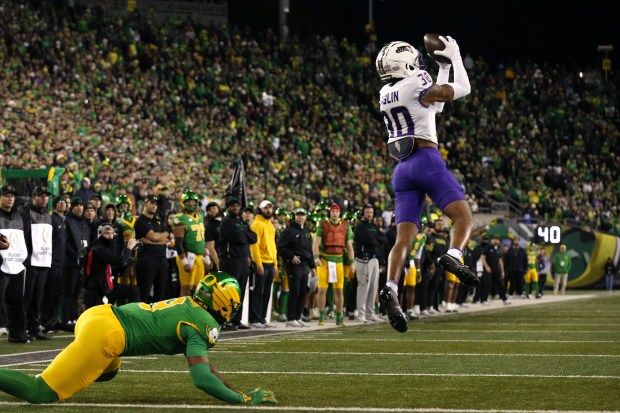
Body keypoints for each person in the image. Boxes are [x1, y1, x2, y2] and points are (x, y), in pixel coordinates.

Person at [0, 272, 277, 406]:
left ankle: (66, 369)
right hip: (107, 335)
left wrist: (235, 390)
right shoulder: (203, 323)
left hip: (100, 315)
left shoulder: (192, 305)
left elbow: (209, 367)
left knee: (108, 372)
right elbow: (202, 377)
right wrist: (241, 400)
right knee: (41, 393)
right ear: (223, 302)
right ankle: (51, 377)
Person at [375, 37, 478, 332]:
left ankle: (391, 287)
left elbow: (436, 107)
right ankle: (454, 255)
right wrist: (455, 58)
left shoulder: (385, 92)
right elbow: (462, 90)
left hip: (402, 170)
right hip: (426, 161)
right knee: (463, 218)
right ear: (406, 63)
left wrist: (441, 67)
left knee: (403, 240)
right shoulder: (416, 81)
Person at [312, 203, 355, 326]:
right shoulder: (323, 224)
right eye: (332, 211)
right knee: (322, 289)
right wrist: (316, 257)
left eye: (336, 211)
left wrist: (352, 262)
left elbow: (349, 246)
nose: (334, 213)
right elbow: (315, 244)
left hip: (339, 260)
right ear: (330, 213)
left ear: (339, 213)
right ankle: (321, 316)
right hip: (324, 259)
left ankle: (339, 315)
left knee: (339, 290)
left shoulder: (346, 226)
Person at [218, 197, 257, 330]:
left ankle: (237, 320)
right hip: (230, 260)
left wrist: (244, 234)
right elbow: (239, 238)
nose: (235, 208)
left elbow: (254, 238)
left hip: (242, 260)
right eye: (232, 206)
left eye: (237, 206)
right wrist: (245, 235)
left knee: (239, 292)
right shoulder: (226, 222)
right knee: (230, 291)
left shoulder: (241, 222)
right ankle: (226, 319)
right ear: (228, 208)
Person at [20, 186, 53, 340]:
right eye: (41, 196)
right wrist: (26, 259)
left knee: (38, 298)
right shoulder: (26, 213)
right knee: (26, 298)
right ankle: (22, 328)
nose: (44, 198)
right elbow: (23, 237)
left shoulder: (47, 214)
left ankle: (34, 328)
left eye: (46, 196)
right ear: (34, 197)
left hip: (44, 262)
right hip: (31, 262)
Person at [84, 225, 141, 308]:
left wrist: (127, 264)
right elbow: (120, 261)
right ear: (100, 235)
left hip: (106, 286)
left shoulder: (107, 247)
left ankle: (133, 315)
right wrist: (128, 248)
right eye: (107, 233)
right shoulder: (99, 248)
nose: (110, 236)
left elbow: (111, 269)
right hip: (97, 289)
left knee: (134, 291)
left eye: (112, 233)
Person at [277, 208, 316, 327]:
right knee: (294, 291)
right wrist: (291, 257)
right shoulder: (289, 231)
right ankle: (291, 318)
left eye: (302, 215)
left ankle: (298, 316)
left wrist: (312, 266)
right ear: (294, 217)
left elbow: (309, 251)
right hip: (294, 265)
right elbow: (281, 247)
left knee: (303, 292)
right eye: (298, 215)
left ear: (305, 217)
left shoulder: (306, 231)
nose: (300, 217)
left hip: (305, 265)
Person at [0, 185, 29, 343]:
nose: (10, 198)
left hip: (17, 264)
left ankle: (17, 334)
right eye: (6, 195)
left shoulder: (19, 216)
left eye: (12, 195)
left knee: (17, 302)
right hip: (1, 264)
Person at [173, 190, 210, 297]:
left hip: (198, 257)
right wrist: (184, 262)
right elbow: (178, 243)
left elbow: (200, 240)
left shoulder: (200, 216)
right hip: (187, 256)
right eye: (188, 202)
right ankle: (182, 312)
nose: (191, 204)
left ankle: (193, 312)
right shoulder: (180, 218)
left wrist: (207, 259)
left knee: (198, 289)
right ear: (183, 203)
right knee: (187, 289)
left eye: (193, 202)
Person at [135, 195, 171, 302]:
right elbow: (154, 237)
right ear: (145, 204)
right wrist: (158, 238)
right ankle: (141, 317)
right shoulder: (141, 221)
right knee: (144, 293)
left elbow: (167, 237)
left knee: (160, 294)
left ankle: (157, 317)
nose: (154, 206)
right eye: (152, 203)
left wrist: (151, 241)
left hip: (162, 260)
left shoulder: (157, 220)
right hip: (147, 260)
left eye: (156, 204)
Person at [249, 200, 278, 328]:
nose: (268, 210)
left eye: (270, 208)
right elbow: (254, 246)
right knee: (258, 292)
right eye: (266, 208)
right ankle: (255, 319)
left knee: (266, 293)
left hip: (270, 263)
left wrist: (275, 264)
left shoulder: (270, 225)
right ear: (260, 209)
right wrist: (258, 263)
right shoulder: (257, 224)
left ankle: (262, 318)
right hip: (261, 263)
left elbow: (273, 246)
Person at [62, 197, 91, 324]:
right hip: (70, 262)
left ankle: (73, 317)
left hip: (81, 262)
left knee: (76, 291)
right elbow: (66, 242)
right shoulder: (68, 220)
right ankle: (66, 318)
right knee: (69, 291)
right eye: (76, 205)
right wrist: (75, 254)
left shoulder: (84, 222)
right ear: (72, 207)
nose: (79, 208)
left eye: (81, 205)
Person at [353, 204, 383, 323]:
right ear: (363, 213)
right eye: (367, 212)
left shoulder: (372, 225)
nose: (369, 214)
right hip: (363, 260)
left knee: (373, 288)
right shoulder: (360, 226)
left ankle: (370, 313)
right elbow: (370, 240)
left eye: (371, 212)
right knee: (363, 287)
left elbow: (382, 239)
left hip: (374, 259)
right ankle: (361, 314)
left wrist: (377, 240)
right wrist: (377, 240)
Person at [481, 235, 511, 305]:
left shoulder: (498, 249)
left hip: (496, 270)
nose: (495, 241)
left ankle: (504, 299)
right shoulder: (488, 247)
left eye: (497, 240)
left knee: (500, 284)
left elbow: (500, 261)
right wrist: (486, 267)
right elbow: (482, 257)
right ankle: (484, 299)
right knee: (487, 284)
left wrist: (502, 271)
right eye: (494, 239)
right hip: (489, 269)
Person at [204, 201, 222, 272]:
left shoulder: (226, 221)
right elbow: (210, 247)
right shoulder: (209, 226)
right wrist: (217, 263)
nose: (212, 210)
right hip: (217, 258)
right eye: (209, 209)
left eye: (214, 208)